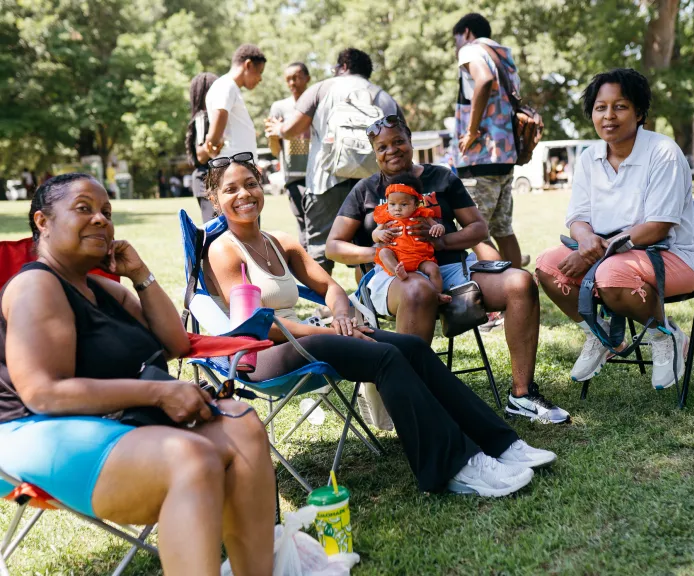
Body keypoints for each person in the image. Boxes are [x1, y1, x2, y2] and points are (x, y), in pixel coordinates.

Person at [202, 153, 558, 497]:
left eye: (250, 184)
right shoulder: (224, 250)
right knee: (385, 356)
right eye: (231, 189)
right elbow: (258, 324)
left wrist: (342, 316)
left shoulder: (280, 242)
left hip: (312, 338)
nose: (244, 194)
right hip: (265, 352)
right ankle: (451, 467)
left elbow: (329, 287)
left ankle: (500, 442)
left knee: (413, 347)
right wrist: (332, 332)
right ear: (215, 199)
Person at [0, 174, 275, 576]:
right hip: (32, 431)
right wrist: (157, 394)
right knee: (189, 457)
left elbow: (176, 343)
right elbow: (44, 393)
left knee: (241, 422)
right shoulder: (35, 286)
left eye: (106, 212)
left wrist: (140, 274)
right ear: (42, 222)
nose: (100, 220)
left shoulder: (102, 288)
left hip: (108, 422)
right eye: (83, 208)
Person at [325, 116, 571, 424]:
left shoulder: (441, 177)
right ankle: (414, 407)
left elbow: (479, 228)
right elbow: (334, 246)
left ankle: (522, 396)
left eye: (398, 141)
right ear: (374, 153)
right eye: (382, 146)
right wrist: (378, 251)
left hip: (452, 267)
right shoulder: (365, 189)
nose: (392, 151)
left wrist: (439, 243)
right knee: (417, 289)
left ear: (411, 141)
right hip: (394, 276)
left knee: (520, 283)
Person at [535, 69, 694, 390]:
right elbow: (578, 219)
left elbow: (656, 228)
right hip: (609, 258)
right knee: (547, 265)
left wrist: (595, 252)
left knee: (610, 275)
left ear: (639, 112)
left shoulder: (662, 152)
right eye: (601, 107)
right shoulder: (589, 158)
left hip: (673, 256)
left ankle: (664, 335)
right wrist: (586, 242)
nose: (608, 116)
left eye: (620, 106)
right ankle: (599, 336)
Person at [264, 48, 402, 274]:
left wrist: (278, 129)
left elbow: (292, 129)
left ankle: (324, 307)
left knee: (319, 251)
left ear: (343, 67)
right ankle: (368, 303)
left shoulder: (321, 89)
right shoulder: (384, 97)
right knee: (371, 248)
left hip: (325, 181)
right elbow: (401, 141)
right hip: (372, 184)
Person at [452, 13, 530, 269]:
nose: (456, 47)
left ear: (466, 33)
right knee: (502, 228)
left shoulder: (470, 51)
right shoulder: (504, 57)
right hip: (505, 156)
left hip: (480, 156)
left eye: (456, 40)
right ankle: (521, 292)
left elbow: (483, 79)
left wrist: (471, 131)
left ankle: (502, 291)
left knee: (475, 230)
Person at [372, 174, 450, 302]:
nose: (397, 208)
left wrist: (439, 228)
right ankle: (398, 272)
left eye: (403, 205)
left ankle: (437, 294)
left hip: (420, 257)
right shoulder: (386, 218)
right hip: (397, 255)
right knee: (384, 253)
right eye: (392, 204)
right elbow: (375, 235)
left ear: (415, 205)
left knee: (434, 269)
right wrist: (380, 234)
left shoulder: (422, 215)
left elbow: (438, 227)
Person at [267, 62, 312, 249]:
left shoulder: (317, 104)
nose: (292, 82)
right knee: (303, 224)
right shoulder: (279, 108)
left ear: (307, 78)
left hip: (318, 175)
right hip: (294, 176)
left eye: (297, 77)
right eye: (288, 79)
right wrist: (273, 135)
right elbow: (275, 150)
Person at [205, 44, 266, 162]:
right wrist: (212, 142)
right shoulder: (226, 85)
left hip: (238, 164)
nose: (260, 78)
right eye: (260, 72)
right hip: (233, 165)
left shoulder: (231, 87)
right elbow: (220, 113)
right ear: (248, 65)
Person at [185, 72, 219, 222]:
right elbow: (201, 154)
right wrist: (219, 142)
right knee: (215, 231)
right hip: (206, 180)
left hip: (213, 179)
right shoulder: (202, 118)